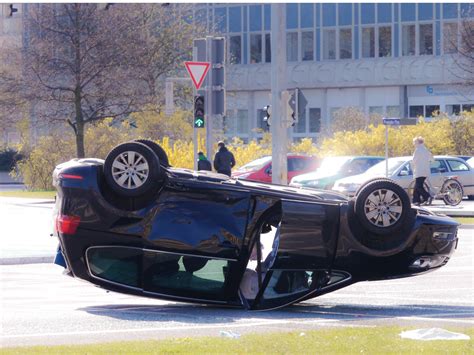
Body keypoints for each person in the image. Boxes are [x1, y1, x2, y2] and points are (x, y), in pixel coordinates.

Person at [412, 136, 434, 206]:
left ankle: (427, 196)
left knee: (418, 186)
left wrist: (412, 165)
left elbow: (414, 160)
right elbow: (432, 159)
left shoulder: (418, 150)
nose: (414, 144)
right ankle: (416, 200)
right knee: (417, 186)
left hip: (419, 171)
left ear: (418, 142)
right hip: (425, 171)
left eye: (414, 142)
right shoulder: (425, 149)